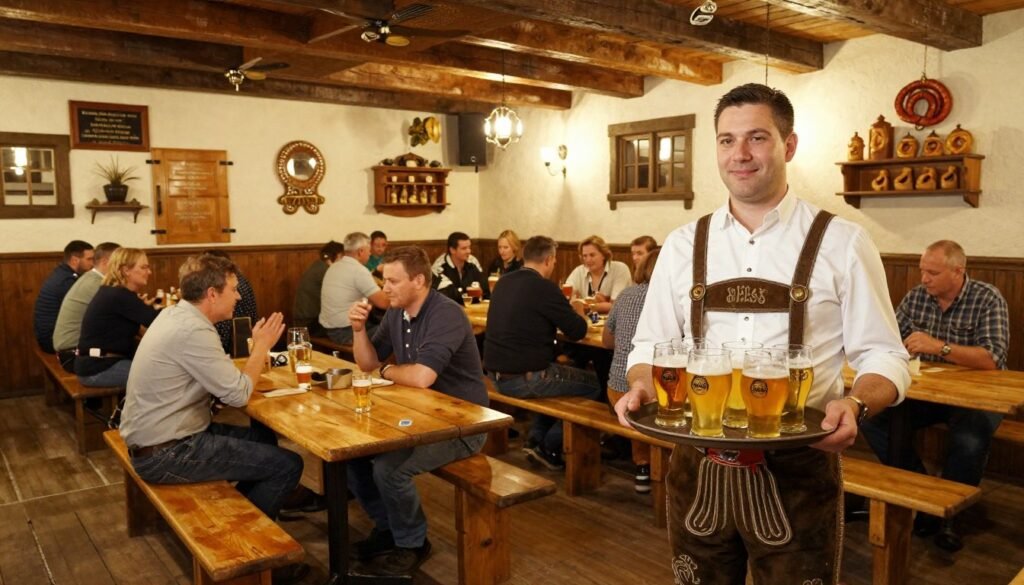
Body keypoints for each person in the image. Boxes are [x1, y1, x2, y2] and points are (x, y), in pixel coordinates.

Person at [615, 83, 910, 584]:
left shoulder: (842, 242)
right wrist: (642, 382)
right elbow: (649, 345)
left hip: (798, 468)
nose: (740, 154)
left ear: (788, 145)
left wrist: (857, 404)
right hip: (695, 463)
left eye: (757, 137)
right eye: (727, 141)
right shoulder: (685, 244)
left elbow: (885, 354)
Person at [118, 254, 307, 583]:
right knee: (288, 465)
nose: (238, 296)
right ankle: (249, 547)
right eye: (233, 289)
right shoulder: (193, 331)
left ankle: (244, 516)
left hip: (158, 438)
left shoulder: (176, 315)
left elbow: (221, 386)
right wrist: (261, 345)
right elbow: (237, 395)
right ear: (211, 294)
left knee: (262, 440)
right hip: (167, 452)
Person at [347, 246, 488, 577]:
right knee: (353, 455)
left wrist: (384, 373)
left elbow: (421, 377)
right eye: (384, 280)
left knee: (389, 469)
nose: (385, 289)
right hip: (421, 415)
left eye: (393, 281)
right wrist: (357, 330)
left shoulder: (446, 314)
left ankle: (412, 543)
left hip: (465, 423)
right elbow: (367, 362)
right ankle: (388, 529)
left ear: (419, 280)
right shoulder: (397, 311)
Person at [862, 240, 1009, 552]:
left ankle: (949, 519)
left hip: (979, 395)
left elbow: (993, 358)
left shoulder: (986, 298)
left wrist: (939, 347)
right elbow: (890, 340)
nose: (924, 279)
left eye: (933, 272)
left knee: (970, 439)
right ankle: (923, 494)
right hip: (926, 393)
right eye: (921, 271)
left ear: (958, 272)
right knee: (870, 414)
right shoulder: (917, 297)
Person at [484, 235, 602, 470]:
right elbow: (577, 330)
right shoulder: (544, 287)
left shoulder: (504, 282)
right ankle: (549, 446)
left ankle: (536, 437)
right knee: (599, 385)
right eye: (555, 261)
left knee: (567, 373)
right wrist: (578, 308)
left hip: (494, 375)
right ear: (549, 260)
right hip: (525, 378)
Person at [603, 247, 660, 493]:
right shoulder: (671, 300)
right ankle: (650, 466)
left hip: (615, 389)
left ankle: (641, 464)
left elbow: (607, 341)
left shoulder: (626, 294)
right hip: (648, 392)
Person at [75, 248, 160, 388]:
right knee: (165, 376)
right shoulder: (119, 295)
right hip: (98, 369)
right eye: (144, 267)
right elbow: (156, 320)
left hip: (97, 363)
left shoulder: (114, 292)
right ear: (126, 270)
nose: (149, 272)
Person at [53, 242, 120, 372]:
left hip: (68, 349)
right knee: (141, 368)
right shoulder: (98, 284)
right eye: (121, 262)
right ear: (106, 262)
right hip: (74, 355)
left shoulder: (90, 277)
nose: (124, 267)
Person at [320, 232, 389, 344]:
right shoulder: (358, 270)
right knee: (395, 329)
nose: (370, 254)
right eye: (369, 250)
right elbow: (385, 303)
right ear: (360, 251)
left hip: (329, 329)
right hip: (346, 332)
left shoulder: (334, 266)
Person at [34, 240, 94, 353]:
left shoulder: (63, 273)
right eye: (89, 259)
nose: (93, 264)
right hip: (53, 341)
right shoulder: (67, 281)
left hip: (50, 336)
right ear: (75, 260)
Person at [205, 250, 258, 354]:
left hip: (238, 346)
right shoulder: (237, 281)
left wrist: (261, 347)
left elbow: (222, 337)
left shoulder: (230, 286)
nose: (238, 296)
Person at [564, 235, 630, 314]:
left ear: (603, 255)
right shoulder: (579, 271)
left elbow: (616, 306)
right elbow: (567, 298)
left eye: (592, 255)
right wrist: (603, 304)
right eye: (585, 256)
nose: (588, 260)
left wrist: (586, 305)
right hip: (587, 322)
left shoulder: (620, 269)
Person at [292, 240, 344, 337]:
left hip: (305, 321)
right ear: (338, 255)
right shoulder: (326, 271)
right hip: (310, 325)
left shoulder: (319, 265)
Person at [432, 231, 489, 304]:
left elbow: (485, 289)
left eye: (469, 247)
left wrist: (465, 293)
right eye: (464, 248)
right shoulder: (439, 267)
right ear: (452, 250)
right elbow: (448, 295)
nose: (468, 251)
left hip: (473, 309)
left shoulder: (472, 261)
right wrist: (469, 293)